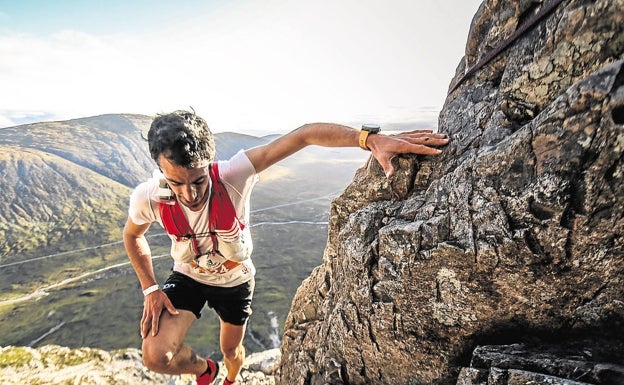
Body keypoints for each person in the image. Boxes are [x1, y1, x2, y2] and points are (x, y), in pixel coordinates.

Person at [123, 110, 449, 385]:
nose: (190, 194)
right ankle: (204, 371)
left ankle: (228, 378)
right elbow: (133, 235)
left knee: (231, 350)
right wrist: (150, 288)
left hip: (235, 281)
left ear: (208, 163)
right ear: (161, 169)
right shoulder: (149, 196)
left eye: (198, 181)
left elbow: (303, 136)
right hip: (188, 276)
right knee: (156, 356)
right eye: (177, 182)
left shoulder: (233, 175)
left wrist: (370, 139)